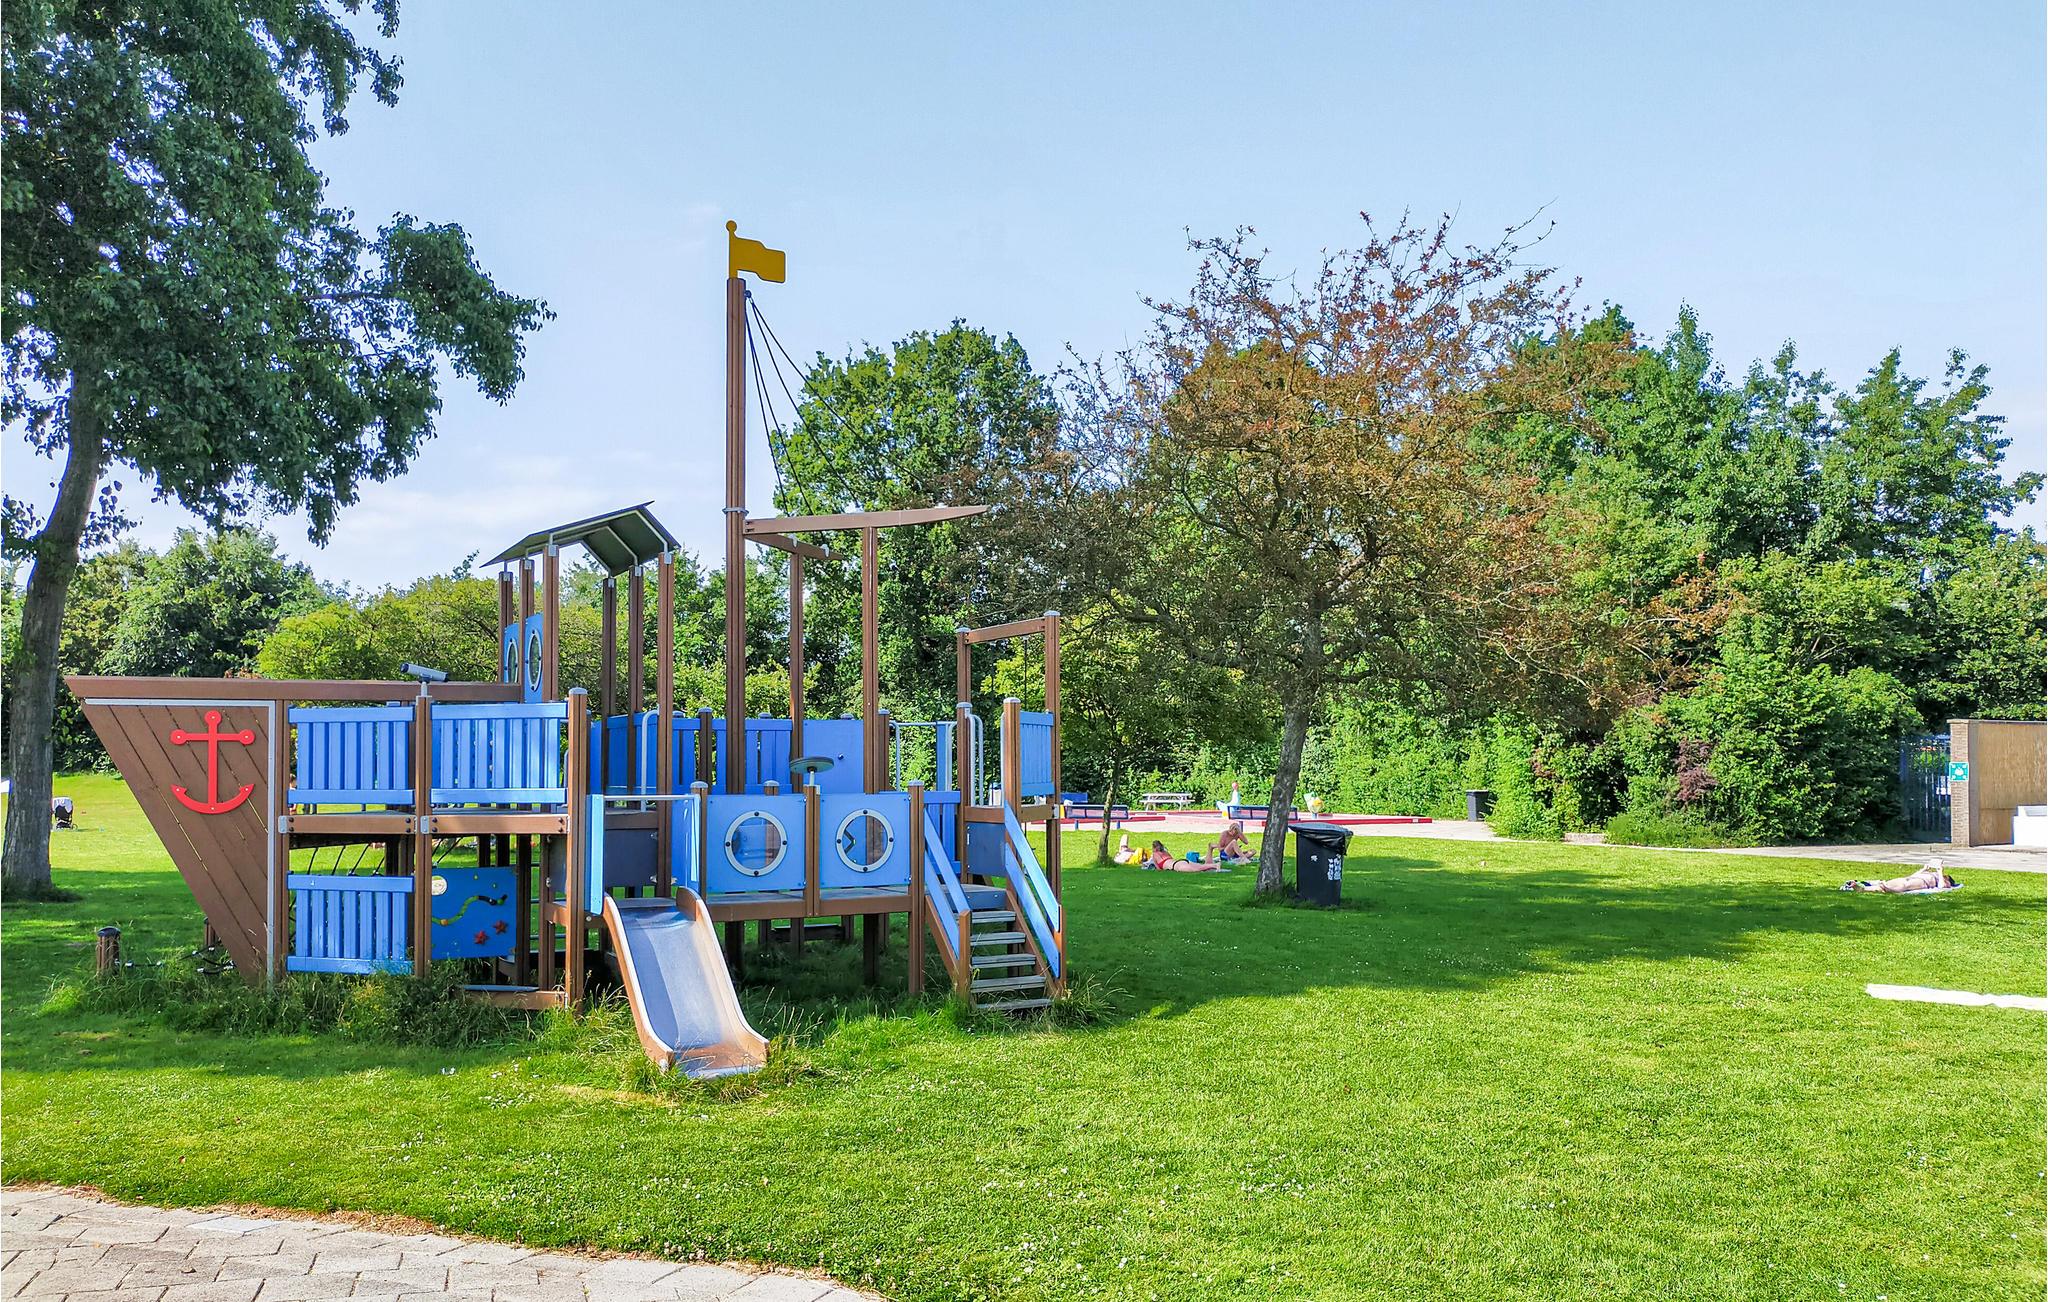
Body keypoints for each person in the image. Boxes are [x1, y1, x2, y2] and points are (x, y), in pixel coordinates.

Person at [1843, 861, 1959, 893]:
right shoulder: (1932, 874)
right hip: (1908, 879)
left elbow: (1942, 887)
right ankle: (1861, 887)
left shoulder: (1943, 881)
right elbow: (1914, 876)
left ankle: (1861, 887)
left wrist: (1940, 872)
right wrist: (1923, 869)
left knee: (1887, 887)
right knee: (1885, 885)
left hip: (1910, 884)